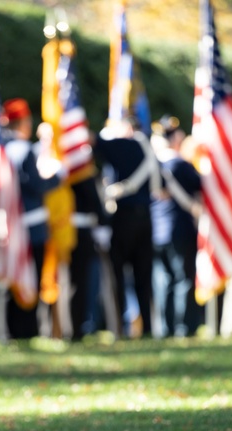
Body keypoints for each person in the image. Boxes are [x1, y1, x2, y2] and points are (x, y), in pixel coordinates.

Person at [94, 117, 163, 337]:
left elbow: (96, 143)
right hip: (145, 217)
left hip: (123, 217)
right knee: (144, 277)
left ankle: (119, 328)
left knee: (117, 275)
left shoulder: (122, 145)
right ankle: (148, 328)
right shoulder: (146, 147)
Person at [0, 98, 62, 340]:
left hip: (9, 227)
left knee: (12, 280)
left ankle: (10, 331)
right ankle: (26, 330)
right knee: (30, 279)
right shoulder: (24, 150)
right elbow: (36, 185)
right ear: (23, 123)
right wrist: (57, 177)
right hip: (32, 225)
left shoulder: (2, 149)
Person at [151, 117, 203, 337]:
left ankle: (166, 327)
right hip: (179, 229)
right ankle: (184, 327)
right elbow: (202, 184)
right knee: (183, 279)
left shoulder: (153, 164)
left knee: (164, 280)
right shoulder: (179, 164)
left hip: (157, 232)